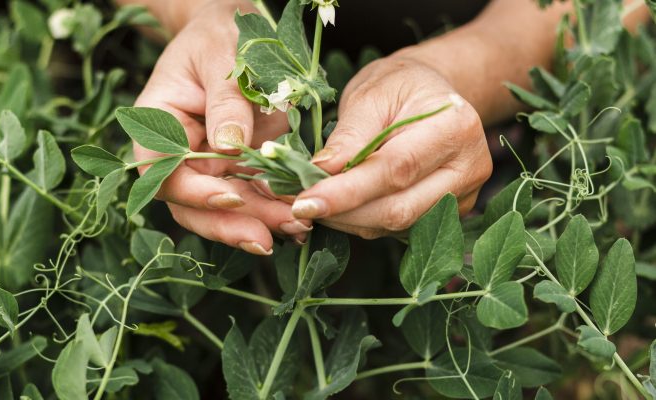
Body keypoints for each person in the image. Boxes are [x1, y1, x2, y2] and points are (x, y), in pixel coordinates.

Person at [117, 0, 649, 255]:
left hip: (484, 133)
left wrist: (455, 74)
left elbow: (604, 10)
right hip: (209, 101)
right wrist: (205, 15)